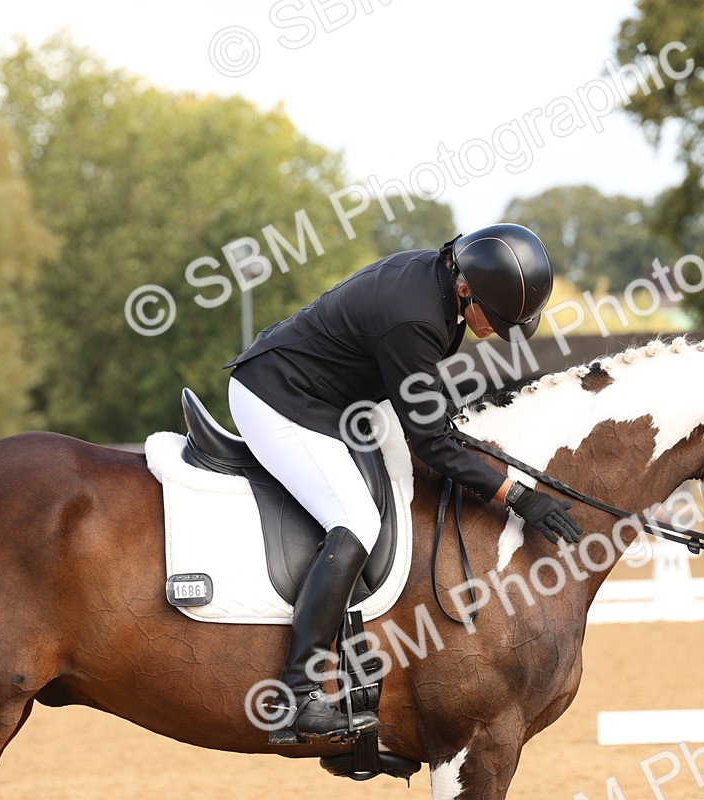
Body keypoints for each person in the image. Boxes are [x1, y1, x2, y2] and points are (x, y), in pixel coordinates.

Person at [224, 223, 583, 743]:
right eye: (497, 318)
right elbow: (431, 443)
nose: (497, 331)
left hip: (334, 399)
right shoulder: (415, 316)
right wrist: (514, 495)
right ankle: (296, 697)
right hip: (280, 400)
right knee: (356, 521)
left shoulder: (439, 282)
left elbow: (425, 399)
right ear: (466, 288)